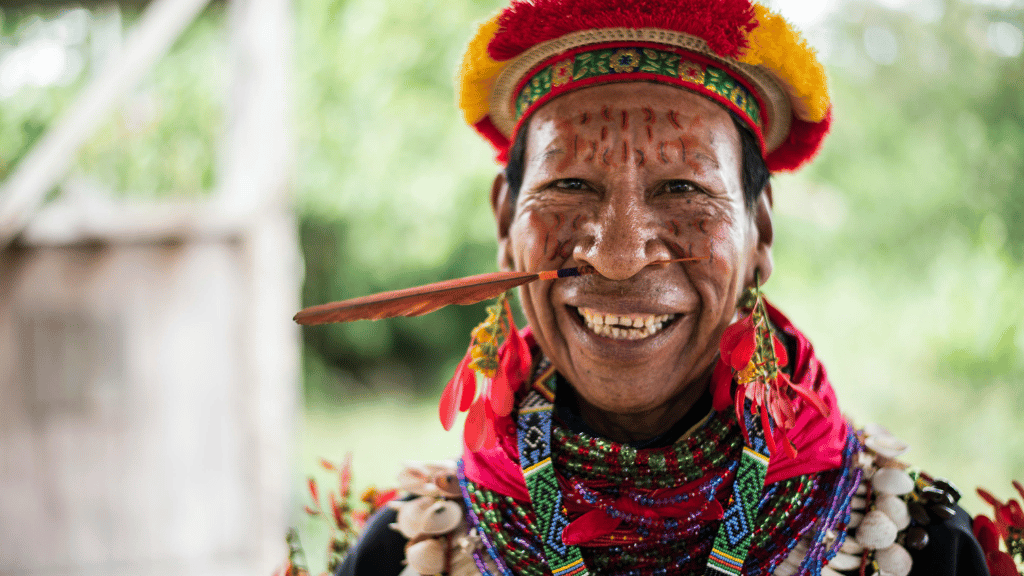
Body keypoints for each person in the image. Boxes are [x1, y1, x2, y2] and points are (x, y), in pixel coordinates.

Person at [334, 0, 990, 574]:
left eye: (683, 190)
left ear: (760, 234)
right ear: (506, 219)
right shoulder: (408, 554)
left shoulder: (916, 546)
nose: (619, 257)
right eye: (568, 186)